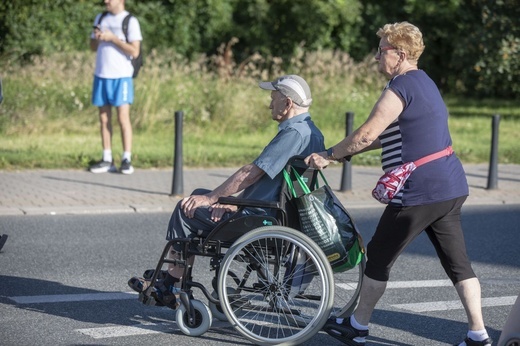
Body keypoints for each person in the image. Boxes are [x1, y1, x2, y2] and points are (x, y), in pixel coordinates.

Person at [305, 22, 492, 346]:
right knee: (459, 264)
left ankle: (358, 326)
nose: (376, 57)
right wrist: (341, 153)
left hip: (419, 191)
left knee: (377, 256)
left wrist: (329, 155)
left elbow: (366, 132)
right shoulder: (425, 83)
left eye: (382, 51)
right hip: (450, 186)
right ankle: (479, 334)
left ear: (400, 54)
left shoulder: (400, 87)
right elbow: (383, 136)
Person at [128, 75, 326, 308]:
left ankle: (171, 282)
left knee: (186, 207)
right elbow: (272, 185)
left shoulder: (293, 134)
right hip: (274, 212)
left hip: (261, 218)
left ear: (288, 103)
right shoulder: (313, 133)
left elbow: (251, 173)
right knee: (198, 193)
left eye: (273, 98)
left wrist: (214, 198)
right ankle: (173, 274)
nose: (270, 104)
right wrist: (233, 201)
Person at [89, 0, 142, 174]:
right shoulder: (100, 17)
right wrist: (97, 39)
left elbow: (135, 51)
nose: (106, 1)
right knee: (104, 119)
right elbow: (91, 47)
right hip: (101, 74)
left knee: (122, 118)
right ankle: (107, 158)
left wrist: (113, 39)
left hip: (121, 76)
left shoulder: (130, 21)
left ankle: (126, 158)